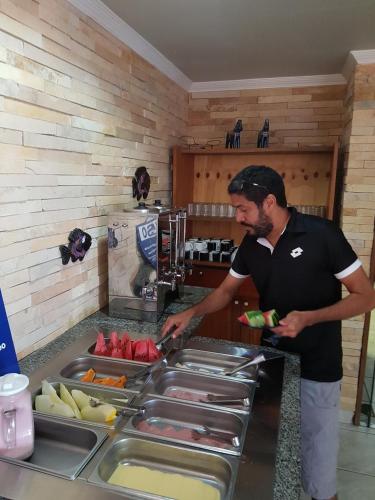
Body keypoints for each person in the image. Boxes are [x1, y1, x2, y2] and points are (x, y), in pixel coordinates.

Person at [162, 165, 375, 500]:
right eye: (235, 209)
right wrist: (191, 312)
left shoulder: (322, 235)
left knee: (319, 463)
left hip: (318, 364)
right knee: (271, 454)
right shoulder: (250, 244)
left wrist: (310, 318)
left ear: (270, 202)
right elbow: (226, 292)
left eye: (243, 208)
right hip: (272, 360)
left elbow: (366, 297)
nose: (238, 218)